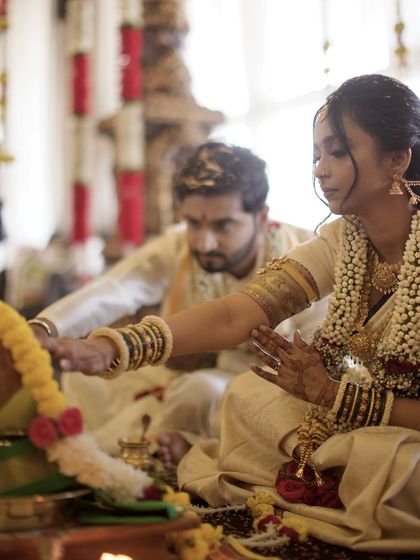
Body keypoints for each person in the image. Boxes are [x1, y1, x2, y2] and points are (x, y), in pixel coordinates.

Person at [46, 73, 420, 551]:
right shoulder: (342, 240)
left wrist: (335, 397)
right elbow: (234, 315)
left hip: (402, 432)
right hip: (348, 416)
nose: (320, 170)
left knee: (389, 464)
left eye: (338, 152)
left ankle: (335, 477)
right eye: (316, 155)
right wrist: (115, 346)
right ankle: (328, 474)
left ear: (396, 158)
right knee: (244, 398)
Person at [30, 142, 326, 455]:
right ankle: (102, 460)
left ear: (261, 216)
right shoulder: (178, 246)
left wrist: (206, 358)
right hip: (176, 372)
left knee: (197, 392)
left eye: (223, 225)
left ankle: (172, 453)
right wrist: (46, 327)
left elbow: (311, 364)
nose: (204, 242)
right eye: (194, 224)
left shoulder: (303, 256)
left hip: (259, 383)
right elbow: (117, 286)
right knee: (86, 376)